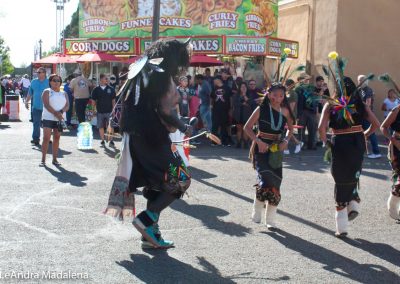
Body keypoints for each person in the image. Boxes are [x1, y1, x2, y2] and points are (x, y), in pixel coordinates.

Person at [115, 38, 193, 248]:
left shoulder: (142, 72)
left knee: (158, 184)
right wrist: (185, 126)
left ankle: (149, 236)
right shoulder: (160, 75)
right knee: (180, 179)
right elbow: (165, 109)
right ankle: (147, 220)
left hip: (137, 138)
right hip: (152, 138)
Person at [319, 77, 380, 237]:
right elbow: (376, 125)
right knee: (354, 173)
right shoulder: (361, 105)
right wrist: (363, 135)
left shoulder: (330, 104)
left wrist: (326, 142)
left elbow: (321, 128)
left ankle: (343, 227)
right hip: (357, 143)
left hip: (339, 143)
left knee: (340, 178)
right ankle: (353, 203)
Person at [244, 83, 294, 230]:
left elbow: (290, 129)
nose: (278, 98)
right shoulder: (261, 109)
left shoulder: (285, 111)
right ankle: (257, 208)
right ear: (268, 93)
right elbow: (247, 127)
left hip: (277, 149)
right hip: (262, 147)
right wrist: (258, 141)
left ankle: (270, 219)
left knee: (276, 182)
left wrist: (286, 140)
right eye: (275, 94)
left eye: (281, 95)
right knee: (265, 178)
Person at [40, 74, 69, 166]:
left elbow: (67, 105)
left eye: (58, 80)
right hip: (48, 117)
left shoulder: (64, 93)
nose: (56, 82)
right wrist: (56, 113)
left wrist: (61, 112)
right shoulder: (47, 91)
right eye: (54, 80)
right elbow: (46, 105)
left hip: (60, 119)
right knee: (46, 138)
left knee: (57, 137)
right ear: (50, 82)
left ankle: (55, 159)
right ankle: (43, 160)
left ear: (61, 82)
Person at [381, 103, 400, 222]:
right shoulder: (397, 110)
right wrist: (394, 141)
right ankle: (392, 205)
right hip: (397, 148)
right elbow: (383, 127)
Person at [358, 74, 381, 158]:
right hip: (361, 115)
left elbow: (368, 103)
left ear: (366, 80)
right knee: (363, 134)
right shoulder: (359, 89)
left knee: (371, 133)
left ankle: (376, 152)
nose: (360, 81)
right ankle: (366, 151)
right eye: (359, 80)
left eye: (362, 80)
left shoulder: (368, 90)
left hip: (367, 115)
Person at [25, 67, 49, 145]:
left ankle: (47, 138)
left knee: (47, 124)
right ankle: (36, 139)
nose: (37, 74)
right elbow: (30, 93)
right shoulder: (33, 82)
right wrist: (26, 101)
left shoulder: (49, 82)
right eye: (37, 72)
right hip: (36, 106)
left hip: (47, 107)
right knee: (36, 123)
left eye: (39, 72)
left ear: (44, 73)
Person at [91, 74, 116, 146]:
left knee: (110, 126)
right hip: (100, 111)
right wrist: (93, 110)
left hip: (109, 111)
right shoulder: (96, 89)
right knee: (100, 126)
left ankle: (111, 140)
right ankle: (102, 140)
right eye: (106, 79)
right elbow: (93, 101)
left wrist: (113, 110)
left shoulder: (111, 89)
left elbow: (113, 100)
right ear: (101, 79)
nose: (107, 80)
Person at [296, 73, 318, 150]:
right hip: (302, 111)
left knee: (312, 129)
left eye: (308, 79)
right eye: (305, 79)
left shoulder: (312, 88)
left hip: (311, 111)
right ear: (301, 80)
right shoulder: (298, 89)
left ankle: (312, 145)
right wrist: (297, 114)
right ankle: (302, 144)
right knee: (301, 129)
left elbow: (316, 99)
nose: (307, 80)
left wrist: (316, 111)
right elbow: (297, 102)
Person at [211, 78, 232, 146]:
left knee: (224, 126)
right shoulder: (214, 88)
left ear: (218, 80)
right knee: (215, 126)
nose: (213, 82)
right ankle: (214, 142)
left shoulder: (227, 88)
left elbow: (231, 98)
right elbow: (211, 97)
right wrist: (211, 105)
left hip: (225, 110)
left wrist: (231, 108)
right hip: (215, 110)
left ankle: (224, 142)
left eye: (214, 80)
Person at [232, 82, 251, 148]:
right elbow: (234, 104)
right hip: (238, 114)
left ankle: (246, 143)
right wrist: (243, 104)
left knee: (246, 129)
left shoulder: (249, 94)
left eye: (245, 87)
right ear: (239, 88)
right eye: (242, 87)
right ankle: (239, 142)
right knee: (239, 129)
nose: (243, 88)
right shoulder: (236, 95)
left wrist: (244, 95)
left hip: (247, 114)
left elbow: (250, 103)